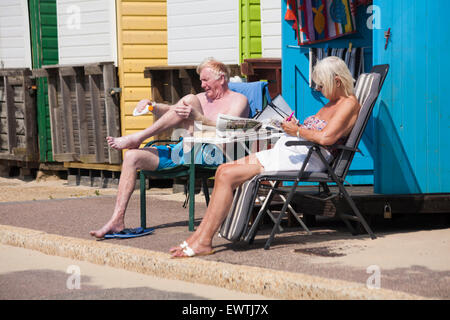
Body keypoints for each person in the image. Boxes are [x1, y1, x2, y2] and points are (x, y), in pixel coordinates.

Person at [170, 56, 361, 258]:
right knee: (222, 170)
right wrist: (295, 127)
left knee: (228, 175)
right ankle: (198, 237)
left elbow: (326, 138)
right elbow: (316, 131)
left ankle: (204, 241)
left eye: (322, 85)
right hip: (293, 151)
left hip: (308, 158)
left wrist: (296, 131)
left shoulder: (348, 104)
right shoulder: (332, 103)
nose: (319, 89)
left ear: (337, 81)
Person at [90, 58, 249, 238]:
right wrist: (151, 106)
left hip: (214, 153)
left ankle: (138, 137)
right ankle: (117, 219)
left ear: (221, 79)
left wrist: (198, 117)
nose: (202, 84)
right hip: (185, 150)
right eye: (201, 80)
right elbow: (173, 111)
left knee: (188, 99)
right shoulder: (200, 99)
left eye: (206, 80)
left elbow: (228, 126)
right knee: (132, 156)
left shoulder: (239, 100)